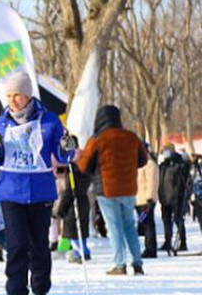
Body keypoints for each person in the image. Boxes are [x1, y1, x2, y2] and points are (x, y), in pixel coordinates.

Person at [0, 71, 75, 295]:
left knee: (39, 245)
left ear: (28, 96)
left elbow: (64, 156)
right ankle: (16, 294)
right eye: (9, 96)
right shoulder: (1, 123)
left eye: (18, 95)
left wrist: (68, 146)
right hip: (11, 191)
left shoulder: (49, 121)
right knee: (16, 245)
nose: (12, 100)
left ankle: (40, 289)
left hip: (40, 191)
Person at [76, 105, 147, 275]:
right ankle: (137, 263)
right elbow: (143, 160)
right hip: (129, 188)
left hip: (106, 189)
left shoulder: (97, 140)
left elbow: (83, 165)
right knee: (130, 225)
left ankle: (120, 263)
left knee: (114, 226)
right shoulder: (131, 137)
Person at [55, 155, 91, 263]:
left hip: (73, 206)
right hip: (84, 201)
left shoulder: (72, 172)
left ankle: (81, 252)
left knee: (73, 232)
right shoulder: (85, 170)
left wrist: (61, 209)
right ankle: (84, 250)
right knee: (82, 229)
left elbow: (68, 193)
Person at [158, 144, 190, 253]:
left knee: (178, 219)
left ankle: (183, 242)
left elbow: (184, 180)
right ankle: (167, 241)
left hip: (176, 197)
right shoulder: (163, 165)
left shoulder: (179, 164)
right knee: (166, 220)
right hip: (164, 197)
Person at [136, 146, 160, 258]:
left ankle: (151, 249)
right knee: (144, 225)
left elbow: (152, 182)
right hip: (138, 200)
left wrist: (150, 198)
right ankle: (147, 247)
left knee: (148, 225)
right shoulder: (138, 164)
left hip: (146, 200)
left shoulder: (150, 164)